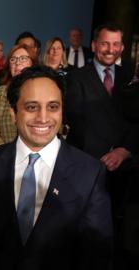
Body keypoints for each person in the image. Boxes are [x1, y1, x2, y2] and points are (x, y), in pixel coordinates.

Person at [0, 65, 113, 270]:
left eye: (53, 107)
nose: (43, 118)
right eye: (31, 107)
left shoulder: (90, 172)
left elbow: (97, 254)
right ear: (13, 113)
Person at [65, 23, 138, 267]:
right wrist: (101, 157)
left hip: (125, 168)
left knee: (118, 231)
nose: (110, 49)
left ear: (122, 47)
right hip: (89, 166)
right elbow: (76, 120)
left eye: (116, 44)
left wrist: (124, 150)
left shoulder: (132, 75)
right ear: (95, 45)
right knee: (85, 229)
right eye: (105, 43)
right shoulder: (77, 77)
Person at [0, 44, 37, 147]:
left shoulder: (42, 92)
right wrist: (6, 156)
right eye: (13, 60)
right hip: (4, 156)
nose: (18, 63)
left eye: (23, 58)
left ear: (32, 63)